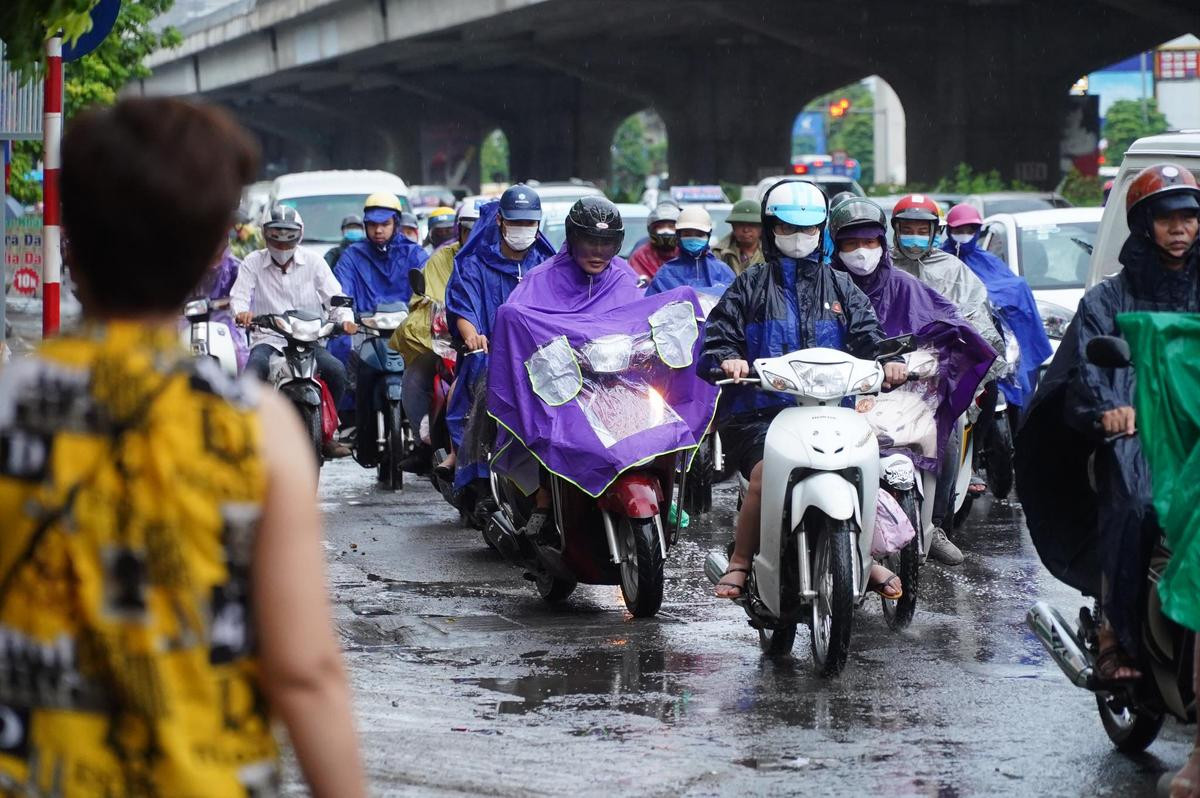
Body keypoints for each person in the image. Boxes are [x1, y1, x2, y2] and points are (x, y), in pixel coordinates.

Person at [0, 96, 365, 797]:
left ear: (69, 240)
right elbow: (304, 673)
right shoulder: (254, 429)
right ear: (211, 253)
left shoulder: (10, 405)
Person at [1017, 164, 1200, 690]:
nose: (1180, 227)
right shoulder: (1107, 300)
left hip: (1193, 436)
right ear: (1144, 223)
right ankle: (1115, 631)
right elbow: (1093, 372)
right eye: (1167, 217)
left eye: (1189, 216)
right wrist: (1114, 411)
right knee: (1139, 506)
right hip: (1134, 439)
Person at [698, 179, 908, 599]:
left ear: (822, 231)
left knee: (865, 470)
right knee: (763, 477)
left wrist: (889, 361)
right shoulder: (749, 285)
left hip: (835, 412)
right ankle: (740, 562)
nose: (799, 238)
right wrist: (728, 358)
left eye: (809, 230)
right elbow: (717, 338)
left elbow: (869, 333)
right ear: (770, 229)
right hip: (761, 415)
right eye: (789, 229)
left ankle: (862, 558)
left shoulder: (841, 286)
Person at [488, 197, 718, 538]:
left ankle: (661, 486)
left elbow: (643, 319)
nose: (597, 251)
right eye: (588, 242)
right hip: (565, 388)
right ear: (571, 239)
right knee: (551, 431)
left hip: (622, 382)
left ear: (618, 244)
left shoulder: (625, 277)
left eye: (607, 244)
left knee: (661, 422)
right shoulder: (539, 281)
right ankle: (544, 499)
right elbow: (517, 330)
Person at [829, 197, 998, 565]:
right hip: (834, 396)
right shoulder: (823, 286)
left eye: (870, 242)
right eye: (851, 243)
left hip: (902, 392)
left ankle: (934, 522)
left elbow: (952, 321)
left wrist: (943, 355)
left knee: (945, 430)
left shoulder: (908, 284)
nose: (862, 252)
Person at [890, 194, 1003, 539]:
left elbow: (977, 319)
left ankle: (938, 524)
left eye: (920, 229)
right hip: (886, 375)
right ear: (893, 231)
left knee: (948, 437)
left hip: (939, 376)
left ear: (934, 231)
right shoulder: (882, 269)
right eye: (906, 229)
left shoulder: (955, 271)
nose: (913, 235)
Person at [443, 185, 555, 491]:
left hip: (543, 356)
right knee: (481, 379)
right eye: (515, 222)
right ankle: (475, 463)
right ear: (499, 221)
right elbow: (463, 305)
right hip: (490, 353)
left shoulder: (549, 264)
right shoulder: (473, 264)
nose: (522, 229)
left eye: (528, 223)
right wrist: (472, 336)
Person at [231, 205, 357, 459]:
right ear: (265, 235)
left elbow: (335, 297)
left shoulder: (314, 262)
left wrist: (344, 320)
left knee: (336, 371)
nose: (282, 242)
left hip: (309, 340)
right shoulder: (252, 262)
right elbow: (239, 297)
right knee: (253, 373)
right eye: (275, 234)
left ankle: (328, 433)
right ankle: (248, 437)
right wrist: (242, 313)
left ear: (299, 235)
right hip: (269, 338)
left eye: (288, 235)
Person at [392, 202, 479, 473]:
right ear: (459, 231)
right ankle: (424, 445)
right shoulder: (442, 259)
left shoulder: (508, 260)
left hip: (496, 343)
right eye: (469, 230)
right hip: (452, 341)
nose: (475, 236)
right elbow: (426, 298)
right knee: (416, 376)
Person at [942, 203, 1053, 409]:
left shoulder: (988, 261)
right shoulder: (940, 259)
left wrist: (994, 301)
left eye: (970, 230)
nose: (964, 235)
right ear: (948, 230)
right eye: (959, 230)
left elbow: (1013, 290)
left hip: (992, 334)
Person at [645, 205, 736, 299]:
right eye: (687, 234)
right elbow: (651, 307)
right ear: (678, 235)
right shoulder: (666, 273)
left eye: (699, 234)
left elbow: (735, 306)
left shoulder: (722, 271)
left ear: (708, 235)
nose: (693, 239)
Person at [187, 246, 250, 370]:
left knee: (238, 355)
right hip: (189, 320)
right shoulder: (188, 265)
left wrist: (218, 305)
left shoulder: (236, 267)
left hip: (225, 323)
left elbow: (244, 297)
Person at [627, 200, 680, 283]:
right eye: (660, 227)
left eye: (671, 227)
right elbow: (634, 285)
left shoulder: (686, 253)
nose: (666, 231)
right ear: (652, 230)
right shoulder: (641, 256)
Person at [712, 198, 766, 275]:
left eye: (752, 224)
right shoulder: (718, 254)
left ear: (761, 228)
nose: (746, 230)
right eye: (741, 224)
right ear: (733, 227)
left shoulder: (771, 254)